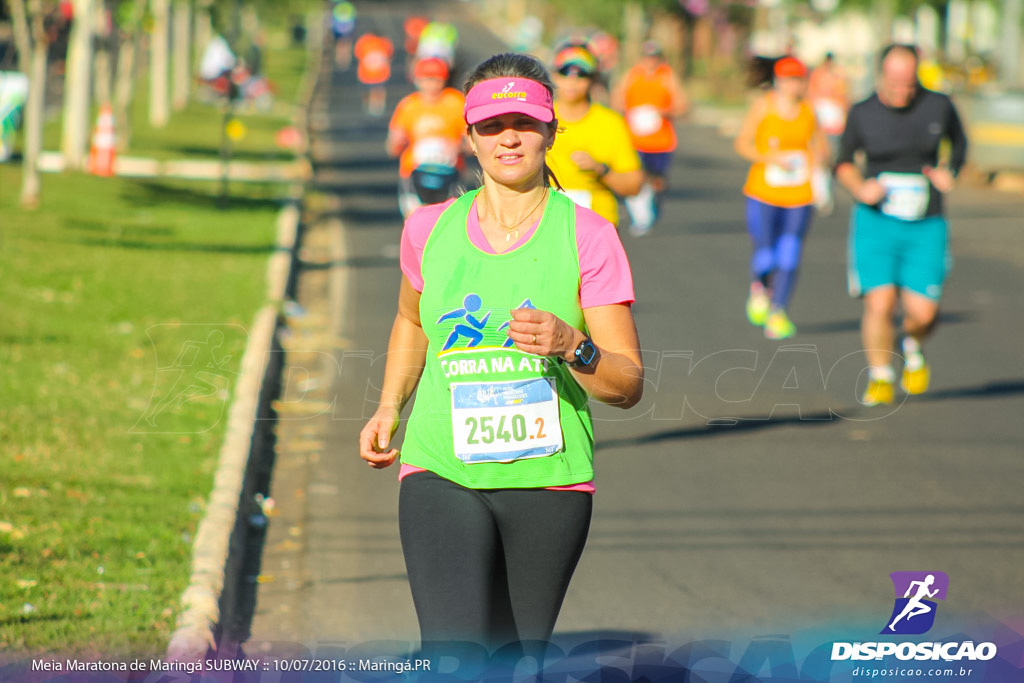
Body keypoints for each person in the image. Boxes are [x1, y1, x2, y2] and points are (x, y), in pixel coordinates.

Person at [358, 52, 644, 664]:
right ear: (469, 136)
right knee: (453, 652)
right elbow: (411, 320)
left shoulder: (588, 235)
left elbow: (626, 383)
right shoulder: (428, 230)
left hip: (547, 479)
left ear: (550, 130)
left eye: (523, 122)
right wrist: (388, 407)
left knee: (515, 662)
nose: (507, 137)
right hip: (440, 468)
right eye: (490, 124)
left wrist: (574, 345)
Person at [835, 44, 967, 406]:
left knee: (923, 313)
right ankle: (880, 375)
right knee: (879, 304)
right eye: (895, 82)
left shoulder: (938, 105)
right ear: (880, 76)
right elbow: (842, 161)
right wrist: (860, 188)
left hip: (926, 223)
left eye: (909, 83)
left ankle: (912, 343)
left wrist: (949, 171)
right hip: (876, 221)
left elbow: (960, 144)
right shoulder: (863, 112)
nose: (902, 90)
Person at [734, 56, 828, 340]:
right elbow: (742, 144)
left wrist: (819, 164)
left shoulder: (808, 111)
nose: (793, 85)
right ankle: (760, 286)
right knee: (765, 253)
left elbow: (821, 147)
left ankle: (778, 312)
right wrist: (770, 157)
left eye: (798, 79)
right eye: (787, 79)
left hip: (799, 195)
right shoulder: (763, 107)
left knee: (790, 252)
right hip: (763, 192)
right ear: (777, 81)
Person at [545, 41, 644, 228]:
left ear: (593, 79)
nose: (572, 81)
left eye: (581, 74)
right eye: (565, 72)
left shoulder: (611, 123)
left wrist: (601, 170)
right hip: (547, 227)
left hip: (598, 227)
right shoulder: (539, 119)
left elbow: (634, 185)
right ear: (554, 76)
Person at [612, 40, 689, 236]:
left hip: (660, 140)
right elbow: (617, 98)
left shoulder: (668, 77)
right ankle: (641, 215)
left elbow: (682, 106)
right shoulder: (632, 75)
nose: (650, 61)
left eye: (654, 57)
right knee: (638, 176)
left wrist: (662, 112)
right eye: (647, 57)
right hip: (635, 139)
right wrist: (628, 111)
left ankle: (653, 206)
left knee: (657, 181)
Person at [386, 57, 467, 218]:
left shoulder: (456, 102)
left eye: (435, 79)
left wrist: (456, 147)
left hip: (448, 172)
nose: (430, 85)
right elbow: (391, 148)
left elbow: (474, 144)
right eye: (426, 79)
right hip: (414, 172)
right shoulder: (408, 105)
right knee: (414, 221)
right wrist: (397, 142)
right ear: (417, 80)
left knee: (448, 222)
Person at [806, 52, 850, 214]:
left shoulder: (840, 77)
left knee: (832, 161)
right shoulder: (817, 75)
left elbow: (845, 98)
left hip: (835, 123)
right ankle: (822, 196)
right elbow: (811, 96)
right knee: (819, 158)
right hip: (821, 123)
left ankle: (827, 192)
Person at [353, 32, 393, 117]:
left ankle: (374, 106)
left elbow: (358, 54)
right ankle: (379, 106)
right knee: (379, 89)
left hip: (367, 73)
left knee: (372, 90)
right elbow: (389, 55)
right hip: (380, 73)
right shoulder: (384, 42)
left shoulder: (364, 41)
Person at [330, 0, 357, 70]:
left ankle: (342, 58)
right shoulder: (348, 7)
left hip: (341, 25)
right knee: (345, 42)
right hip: (344, 26)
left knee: (343, 42)